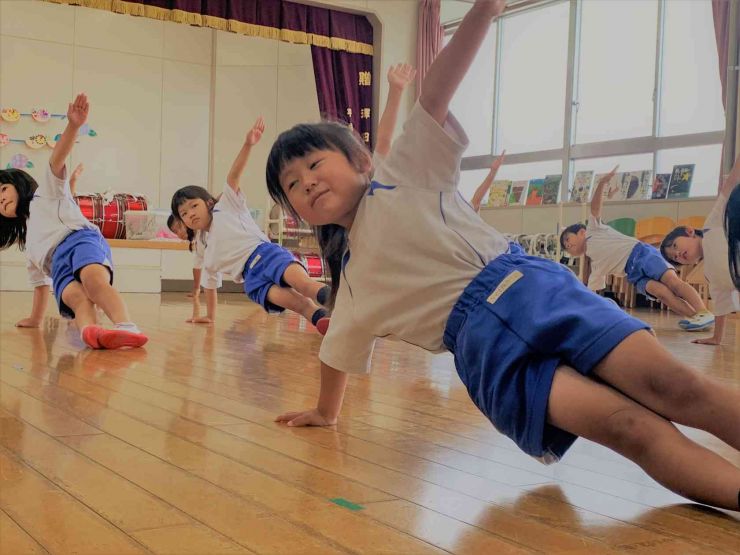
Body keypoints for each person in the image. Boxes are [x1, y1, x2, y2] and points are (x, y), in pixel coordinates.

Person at [265, 0, 740, 510]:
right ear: (294, 210)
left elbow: (435, 93)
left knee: (675, 386)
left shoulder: (404, 174)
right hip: (489, 354)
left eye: (314, 163)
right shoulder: (353, 284)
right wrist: (324, 412)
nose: (307, 181)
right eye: (291, 183)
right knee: (631, 430)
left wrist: (483, 14)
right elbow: (336, 352)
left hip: (534, 291)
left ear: (361, 160)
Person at [0, 94, 147, 349]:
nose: (0, 200)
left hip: (79, 240)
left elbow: (56, 161)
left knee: (93, 281)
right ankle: (92, 332)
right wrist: (35, 320)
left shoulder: (44, 193)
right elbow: (40, 286)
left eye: (2, 190)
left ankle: (126, 326)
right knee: (77, 298)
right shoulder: (31, 246)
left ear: (18, 184)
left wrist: (73, 125)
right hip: (56, 265)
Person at [171, 117, 330, 334]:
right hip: (251, 279)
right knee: (296, 303)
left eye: (193, 206)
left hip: (266, 254)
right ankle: (322, 320)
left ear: (208, 202)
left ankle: (339, 304)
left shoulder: (226, 206)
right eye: (184, 213)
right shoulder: (206, 251)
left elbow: (233, 175)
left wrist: (248, 144)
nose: (190, 214)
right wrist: (209, 316)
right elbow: (210, 285)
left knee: (305, 285)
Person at [560, 167, 714, 331]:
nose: (568, 246)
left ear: (582, 232)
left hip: (641, 254)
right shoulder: (596, 266)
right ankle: (696, 319)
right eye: (566, 248)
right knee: (662, 294)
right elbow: (590, 292)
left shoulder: (593, 229)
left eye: (568, 239)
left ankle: (702, 311)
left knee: (673, 283)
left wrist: (602, 183)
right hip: (633, 274)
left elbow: (595, 207)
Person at [660, 155, 740, 345]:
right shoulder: (711, 274)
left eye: (675, 247)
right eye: (676, 259)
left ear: (689, 231)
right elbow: (721, 304)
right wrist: (716, 338)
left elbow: (728, 189)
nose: (678, 254)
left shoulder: (711, 225)